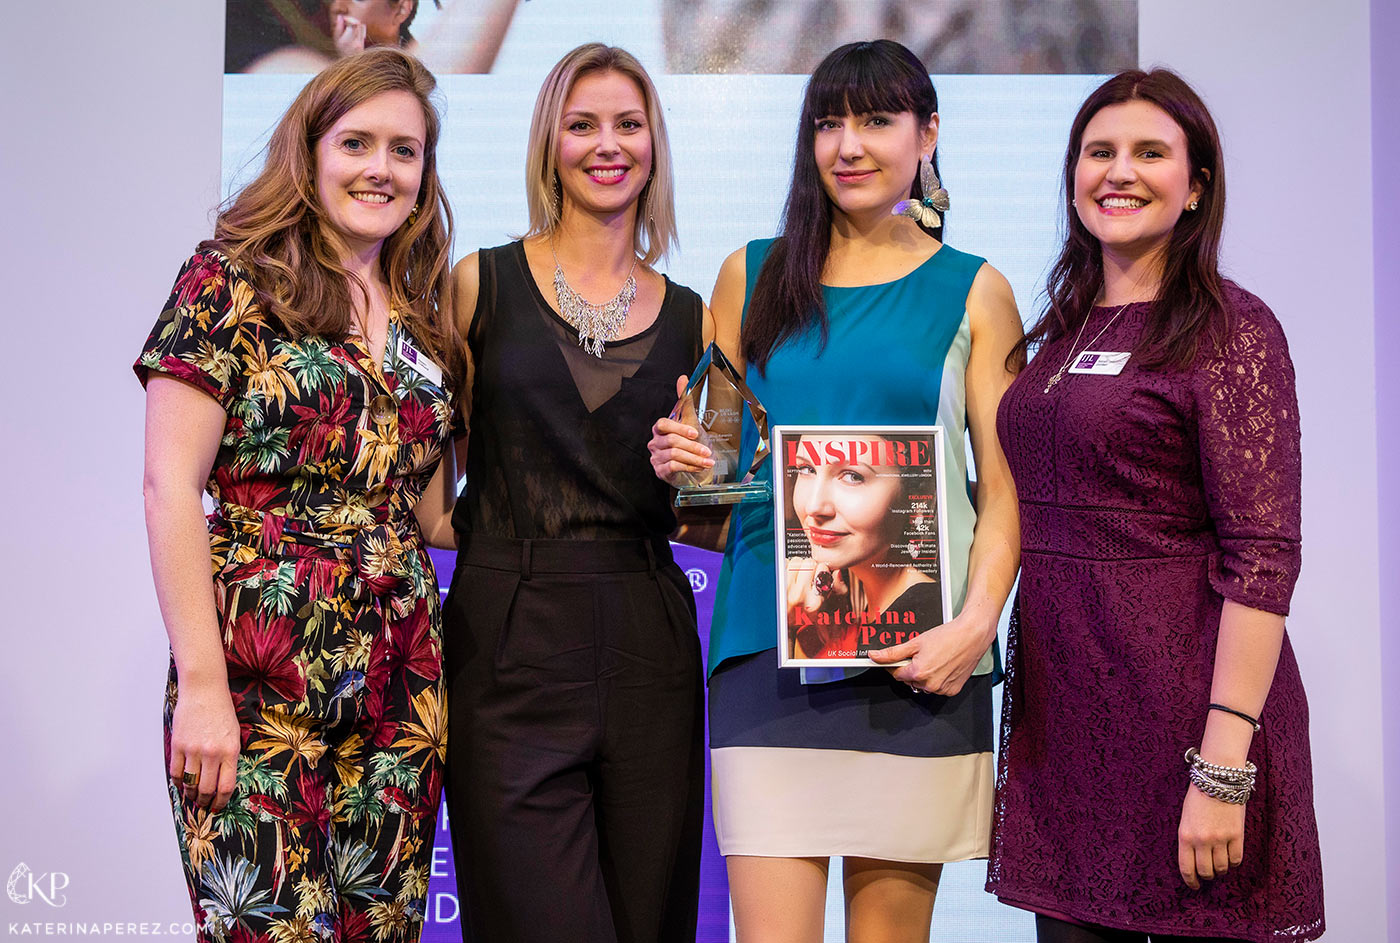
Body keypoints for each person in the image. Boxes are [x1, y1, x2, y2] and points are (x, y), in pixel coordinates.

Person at [649, 39, 1022, 942]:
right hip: (765, 657)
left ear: (927, 133)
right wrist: (685, 462)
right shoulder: (751, 274)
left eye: (876, 120)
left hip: (917, 661)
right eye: (828, 122)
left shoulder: (975, 291)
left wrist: (972, 631)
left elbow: (1010, 495)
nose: (848, 145)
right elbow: (713, 486)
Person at [987, 69, 1324, 943]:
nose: (1119, 171)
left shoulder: (1230, 329)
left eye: (1150, 152)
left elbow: (1262, 559)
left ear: (1195, 185)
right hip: (1069, 743)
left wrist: (1223, 763)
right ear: (1073, 176)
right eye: (1100, 152)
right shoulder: (1062, 332)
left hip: (1197, 738)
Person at [136, 48, 462, 943]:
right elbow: (170, 485)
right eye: (357, 142)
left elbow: (432, 511)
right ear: (310, 151)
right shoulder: (230, 278)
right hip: (255, 676)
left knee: (382, 932)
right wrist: (202, 684)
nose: (381, 168)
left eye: (405, 150)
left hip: (404, 679)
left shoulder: (426, 307)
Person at [436, 43, 705, 943]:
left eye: (628, 124)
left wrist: (701, 475)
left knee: (645, 922)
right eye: (582, 123)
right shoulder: (477, 282)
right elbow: (432, 487)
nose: (607, 144)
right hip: (506, 637)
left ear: (654, 144)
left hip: (649, 643)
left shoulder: (695, 316)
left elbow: (703, 511)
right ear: (550, 141)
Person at [784, 432, 941, 660]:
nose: (814, 506)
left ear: (914, 498)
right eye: (807, 469)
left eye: (853, 476)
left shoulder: (922, 620)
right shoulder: (854, 616)